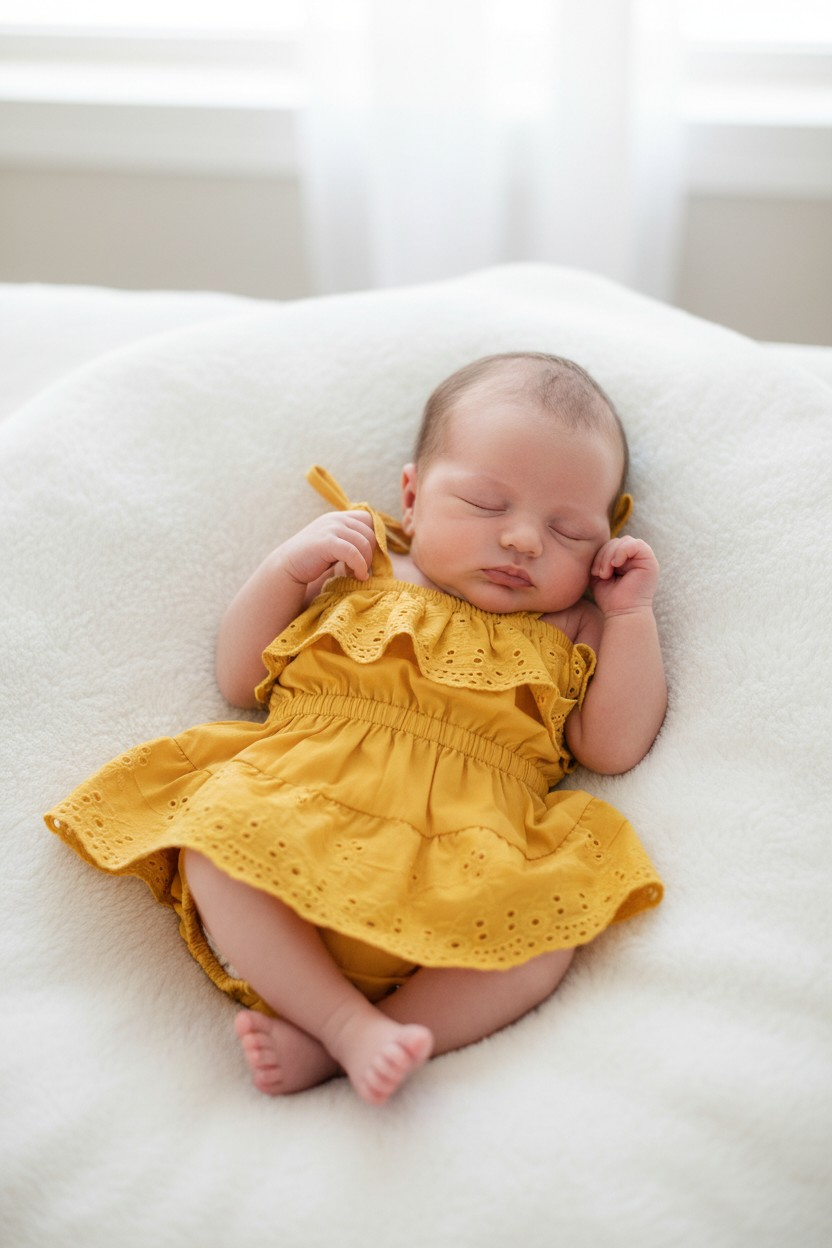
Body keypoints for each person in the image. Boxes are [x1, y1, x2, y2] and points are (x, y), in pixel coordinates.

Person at [46, 351, 666, 1106]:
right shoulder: (364, 568)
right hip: (297, 823)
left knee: (553, 927)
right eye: (485, 504)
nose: (525, 541)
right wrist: (284, 571)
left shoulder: (574, 628)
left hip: (468, 871)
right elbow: (240, 679)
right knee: (214, 830)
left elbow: (614, 748)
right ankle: (345, 1025)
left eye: (569, 531)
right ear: (412, 496)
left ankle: (363, 1036)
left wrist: (629, 616)